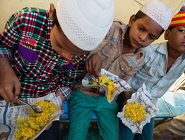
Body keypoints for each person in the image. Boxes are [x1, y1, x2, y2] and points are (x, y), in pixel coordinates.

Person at [0, 0, 114, 139]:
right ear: (52, 14)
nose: (66, 57)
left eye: (75, 55)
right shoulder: (26, 21)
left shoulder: (84, 52)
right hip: (8, 91)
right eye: (60, 45)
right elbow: (3, 46)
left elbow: (69, 81)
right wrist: (4, 70)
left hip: (46, 97)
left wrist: (51, 110)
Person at [65, 0, 173, 140]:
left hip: (107, 100)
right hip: (82, 93)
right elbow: (83, 47)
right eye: (141, 29)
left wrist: (127, 99)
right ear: (132, 20)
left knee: (112, 137)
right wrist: (93, 54)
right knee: (76, 137)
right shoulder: (112, 28)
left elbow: (123, 81)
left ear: (156, 39)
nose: (142, 38)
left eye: (151, 37)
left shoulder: (140, 57)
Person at [119, 11, 185, 140]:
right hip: (127, 99)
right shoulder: (148, 52)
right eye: (182, 31)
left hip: (148, 107)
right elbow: (124, 76)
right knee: (125, 137)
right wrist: (127, 96)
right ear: (167, 34)